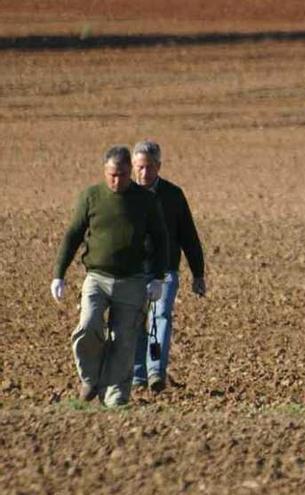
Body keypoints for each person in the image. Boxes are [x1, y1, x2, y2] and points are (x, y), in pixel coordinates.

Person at [51, 146, 168, 407]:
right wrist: (59, 274)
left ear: (130, 172)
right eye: (113, 175)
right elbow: (73, 236)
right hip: (97, 278)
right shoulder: (91, 197)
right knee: (88, 326)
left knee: (124, 341)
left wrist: (158, 278)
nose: (118, 180)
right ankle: (91, 378)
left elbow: (161, 239)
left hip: (133, 281)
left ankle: (115, 398)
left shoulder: (145, 201)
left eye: (124, 175)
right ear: (105, 171)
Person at [130, 140, 206, 393]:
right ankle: (138, 375)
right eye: (139, 167)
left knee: (160, 317)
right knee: (135, 321)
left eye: (149, 167)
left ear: (159, 166)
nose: (144, 173)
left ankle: (155, 371)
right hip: (132, 271)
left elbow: (188, 235)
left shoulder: (173, 195)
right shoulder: (124, 196)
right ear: (133, 166)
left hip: (165, 270)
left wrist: (198, 274)